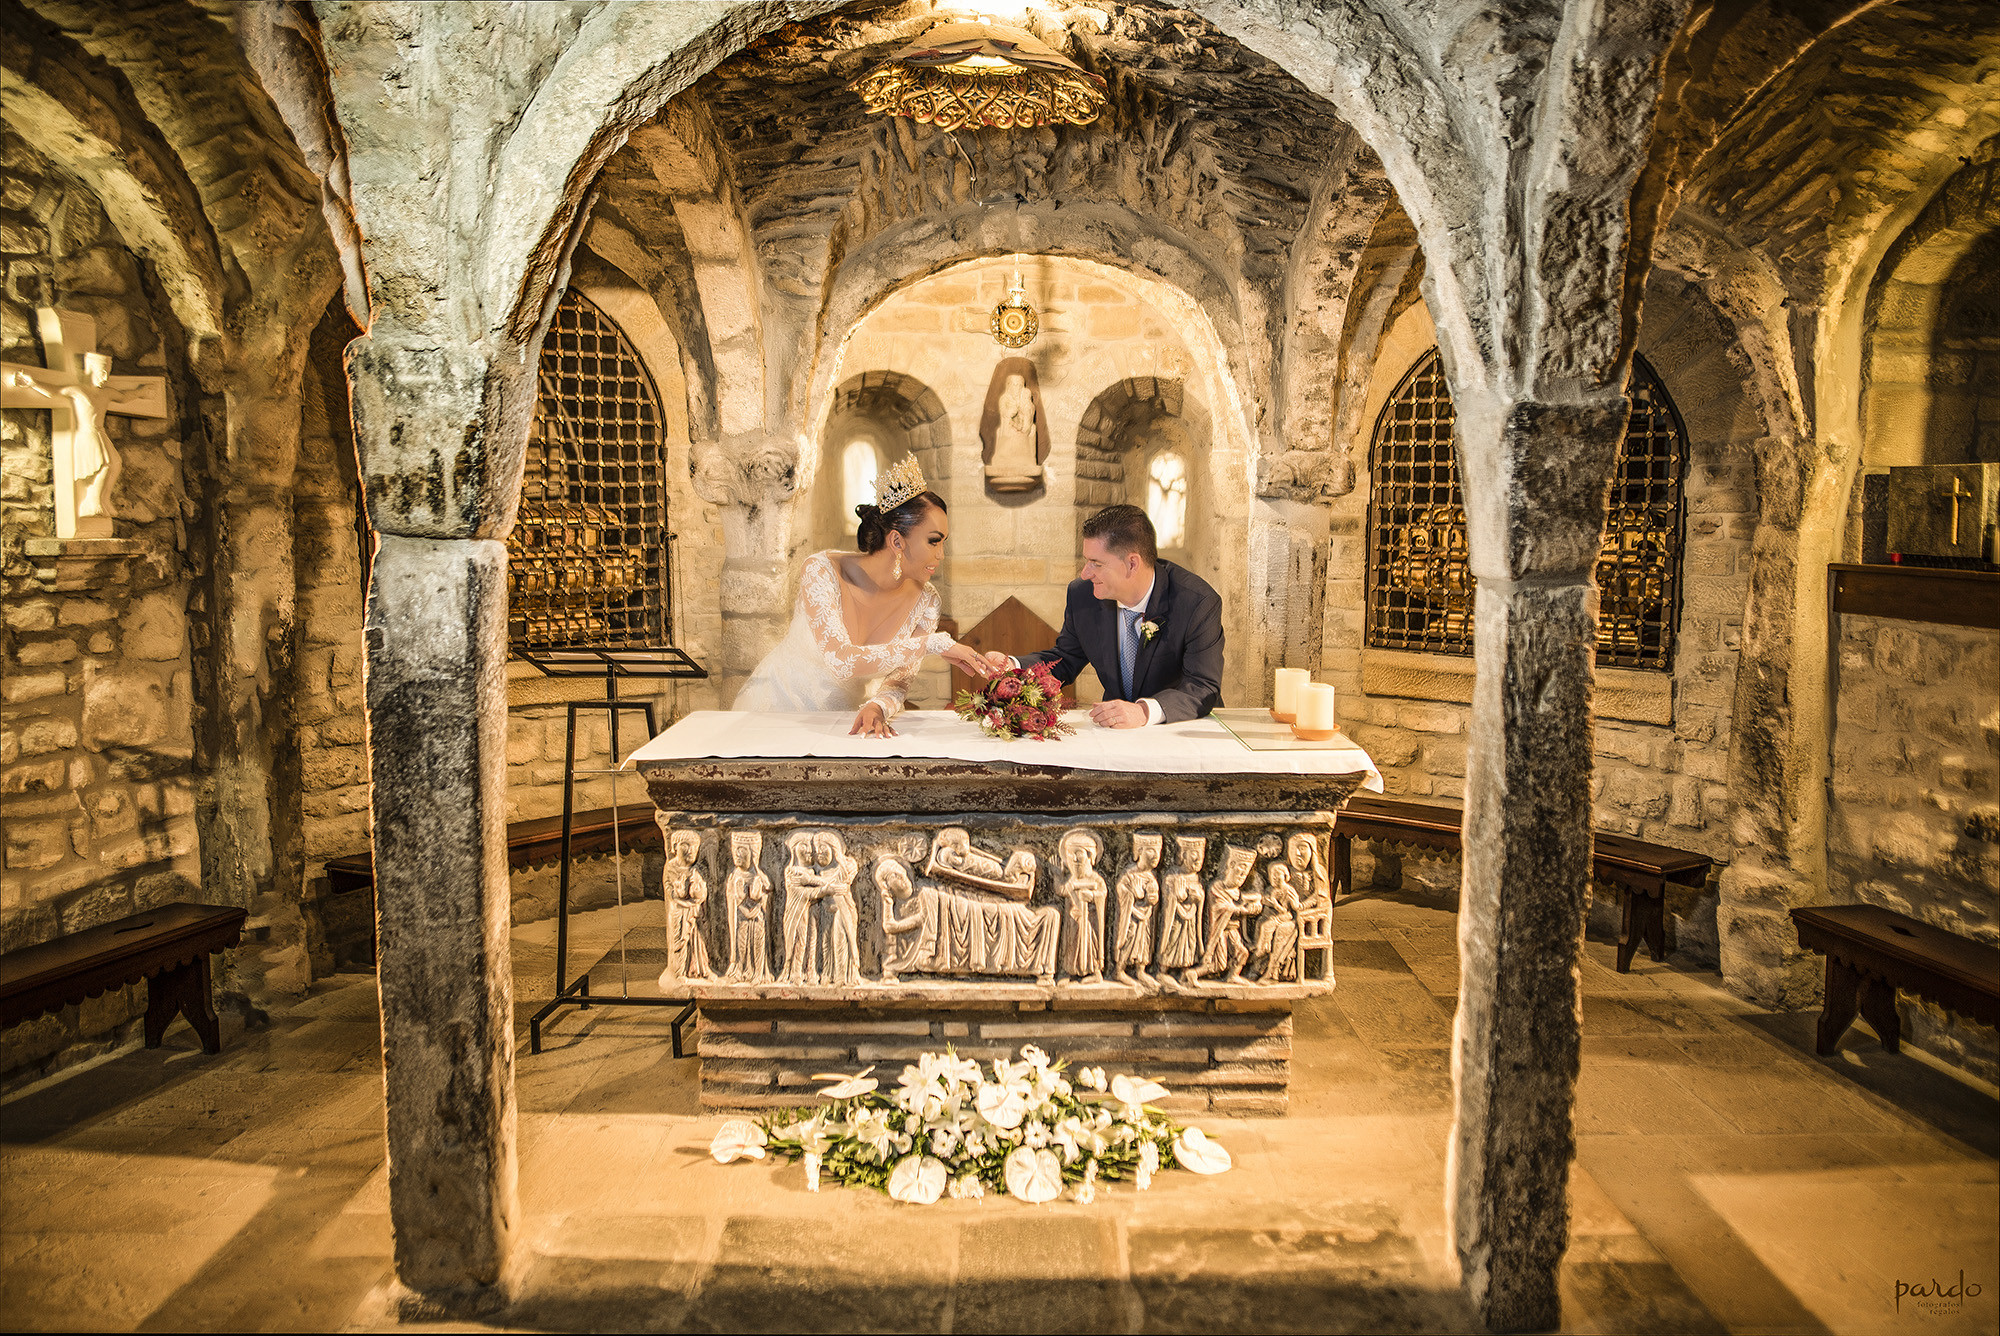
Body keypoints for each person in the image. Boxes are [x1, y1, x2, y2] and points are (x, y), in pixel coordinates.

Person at [733, 456, 993, 737]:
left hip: (847, 721)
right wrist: (933, 643)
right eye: (933, 541)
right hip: (776, 711)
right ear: (896, 541)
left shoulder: (927, 601)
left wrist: (878, 706)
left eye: (943, 542)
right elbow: (842, 661)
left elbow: (899, 679)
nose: (941, 554)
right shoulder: (821, 570)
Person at [987, 504, 1223, 728]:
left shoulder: (1196, 602)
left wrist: (1143, 712)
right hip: (1113, 732)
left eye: (1096, 563)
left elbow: (1202, 686)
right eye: (1086, 561)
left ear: (1132, 564)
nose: (1085, 573)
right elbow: (1065, 659)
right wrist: (1013, 666)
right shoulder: (1082, 595)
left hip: (1181, 729)